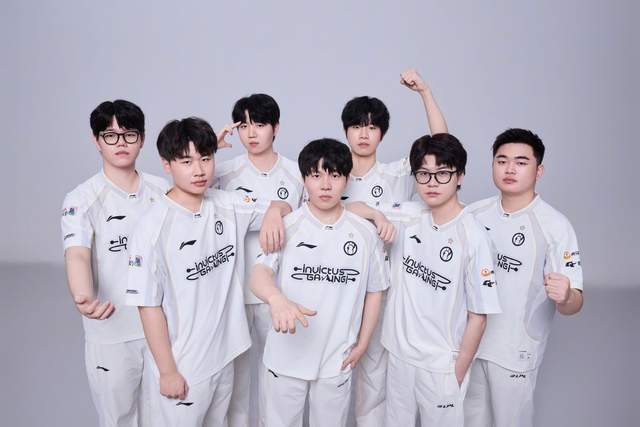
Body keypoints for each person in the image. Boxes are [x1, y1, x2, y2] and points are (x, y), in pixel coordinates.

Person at [124, 117, 291, 426]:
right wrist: (168, 371)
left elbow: (284, 206)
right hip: (185, 364)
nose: (199, 170)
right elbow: (148, 306)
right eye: (186, 162)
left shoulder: (228, 204)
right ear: (167, 165)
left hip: (226, 356)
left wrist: (274, 211)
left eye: (205, 158)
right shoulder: (152, 228)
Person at [349, 133, 502, 426]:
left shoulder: (474, 236)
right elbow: (348, 208)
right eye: (423, 173)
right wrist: (377, 216)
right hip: (399, 356)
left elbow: (479, 317)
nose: (432, 182)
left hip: (441, 367)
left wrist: (456, 374)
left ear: (460, 176)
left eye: (442, 173)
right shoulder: (407, 215)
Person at [250, 138, 393, 427]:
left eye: (335, 175)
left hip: (335, 359)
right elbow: (258, 274)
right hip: (285, 358)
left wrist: (363, 343)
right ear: (304, 179)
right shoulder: (288, 225)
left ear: (347, 179)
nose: (326, 185)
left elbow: (375, 291)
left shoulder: (365, 233)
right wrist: (277, 300)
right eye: (316, 176)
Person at [341, 68, 449, 426]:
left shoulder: (397, 175)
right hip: (338, 287)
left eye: (372, 127)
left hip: (385, 289)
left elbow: (442, 145)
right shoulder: (330, 175)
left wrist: (425, 92)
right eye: (357, 126)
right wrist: (369, 212)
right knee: (332, 376)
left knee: (374, 380)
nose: (364, 134)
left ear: (382, 134)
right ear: (346, 131)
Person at [464, 128, 584, 427]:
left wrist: (567, 295)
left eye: (521, 162)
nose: (509, 169)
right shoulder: (473, 214)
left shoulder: (555, 226)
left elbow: (574, 304)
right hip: (468, 345)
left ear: (538, 170)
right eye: (501, 160)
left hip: (515, 351)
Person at [61, 99, 168, 426]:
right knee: (118, 419)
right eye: (110, 135)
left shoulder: (163, 191)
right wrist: (82, 295)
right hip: (112, 331)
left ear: (142, 139)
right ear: (97, 141)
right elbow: (77, 253)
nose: (121, 142)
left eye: (129, 134)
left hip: (164, 329)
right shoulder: (81, 199)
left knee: (167, 416)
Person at [214, 94, 304, 427]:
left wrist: (278, 210)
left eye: (260, 124)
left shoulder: (297, 173)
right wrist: (210, 148)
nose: (251, 133)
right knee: (235, 383)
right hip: (234, 291)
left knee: (279, 379)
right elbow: (181, 196)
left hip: (279, 292)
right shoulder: (223, 172)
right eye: (244, 125)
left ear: (275, 128)